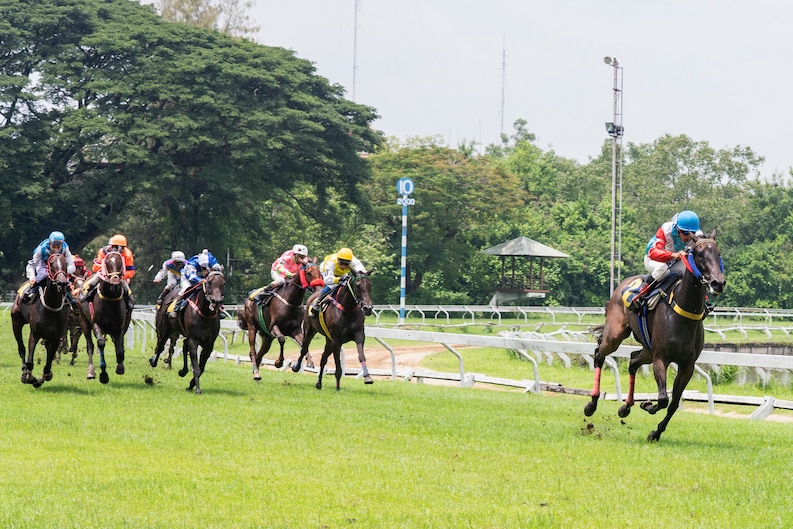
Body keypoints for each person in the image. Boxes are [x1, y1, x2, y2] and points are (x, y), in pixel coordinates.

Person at [628, 210, 703, 312]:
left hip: (675, 263)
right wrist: (672, 255)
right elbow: (653, 253)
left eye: (692, 233)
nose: (688, 236)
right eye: (685, 232)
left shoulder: (698, 236)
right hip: (653, 260)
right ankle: (641, 295)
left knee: (692, 272)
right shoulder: (666, 230)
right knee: (662, 269)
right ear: (677, 229)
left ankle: (700, 301)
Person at [81, 234, 136, 310]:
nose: (118, 249)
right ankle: (86, 294)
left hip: (120, 276)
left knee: (127, 288)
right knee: (93, 282)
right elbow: (95, 266)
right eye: (115, 247)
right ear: (111, 246)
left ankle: (129, 300)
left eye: (122, 247)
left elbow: (131, 271)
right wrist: (107, 272)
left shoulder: (128, 254)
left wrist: (121, 275)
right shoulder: (103, 251)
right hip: (104, 275)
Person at [20, 231, 76, 302]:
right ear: (49, 244)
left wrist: (61, 272)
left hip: (58, 268)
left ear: (62, 245)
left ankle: (70, 299)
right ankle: (31, 292)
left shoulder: (65, 249)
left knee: (64, 281)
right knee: (42, 275)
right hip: (44, 265)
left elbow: (72, 266)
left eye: (58, 247)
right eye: (53, 246)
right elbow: (32, 265)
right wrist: (32, 277)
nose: (56, 249)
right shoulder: (41, 249)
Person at [309, 247, 367, 315]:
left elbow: (363, 273)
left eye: (346, 264)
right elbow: (327, 280)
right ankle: (318, 302)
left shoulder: (354, 261)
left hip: (341, 273)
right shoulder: (330, 263)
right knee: (333, 285)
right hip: (327, 272)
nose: (343, 266)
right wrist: (338, 279)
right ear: (338, 260)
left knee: (346, 283)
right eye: (341, 263)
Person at [170, 249, 224, 318]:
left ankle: (219, 308)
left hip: (206, 278)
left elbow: (218, 271)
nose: (204, 270)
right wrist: (199, 280)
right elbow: (191, 276)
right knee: (185, 289)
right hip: (187, 277)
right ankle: (176, 308)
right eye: (203, 268)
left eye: (206, 268)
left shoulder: (211, 260)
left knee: (214, 288)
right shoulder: (192, 264)